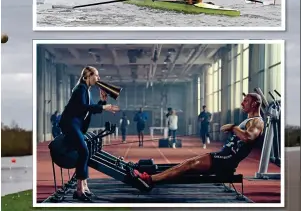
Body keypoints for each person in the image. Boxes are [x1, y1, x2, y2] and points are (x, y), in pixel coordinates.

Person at [132, 93, 264, 191]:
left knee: (189, 164)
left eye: (245, 101)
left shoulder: (257, 121)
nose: (242, 103)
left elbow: (248, 137)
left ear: (254, 104)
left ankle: (151, 179)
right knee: (187, 164)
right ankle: (152, 177)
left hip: (227, 159)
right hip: (223, 155)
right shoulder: (249, 120)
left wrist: (233, 127)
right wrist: (233, 129)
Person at [59, 66, 120, 201]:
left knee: (84, 152)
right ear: (87, 76)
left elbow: (91, 109)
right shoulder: (80, 89)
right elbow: (83, 107)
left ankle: (84, 187)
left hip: (76, 124)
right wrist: (104, 107)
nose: (98, 79)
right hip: (70, 123)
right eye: (96, 76)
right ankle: (79, 190)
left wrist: (103, 101)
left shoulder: (85, 90)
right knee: (84, 152)